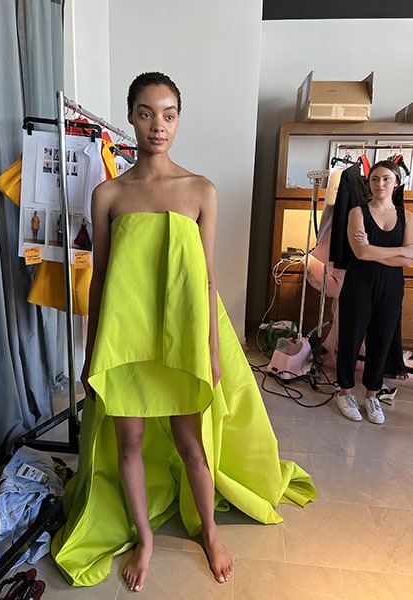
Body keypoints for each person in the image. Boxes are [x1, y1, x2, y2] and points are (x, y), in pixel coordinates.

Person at [51, 72, 315, 593]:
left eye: (169, 114)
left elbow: (209, 280)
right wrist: (89, 352)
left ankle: (210, 532)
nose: (158, 125)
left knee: (192, 444)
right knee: (127, 445)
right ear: (130, 116)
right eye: (147, 112)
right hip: (125, 347)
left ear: (178, 121)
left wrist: (214, 350)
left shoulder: (200, 190)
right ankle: (145, 541)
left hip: (178, 343)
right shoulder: (107, 195)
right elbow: (100, 279)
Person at [336, 160, 413, 424]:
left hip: (392, 287)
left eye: (386, 179)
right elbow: (360, 252)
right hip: (360, 284)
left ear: (396, 183)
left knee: (381, 342)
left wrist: (376, 252)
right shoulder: (357, 213)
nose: (380, 184)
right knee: (351, 337)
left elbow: (410, 259)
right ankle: (345, 391)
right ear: (368, 183)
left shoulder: (408, 217)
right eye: (375, 179)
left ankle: (372, 394)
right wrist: (398, 252)